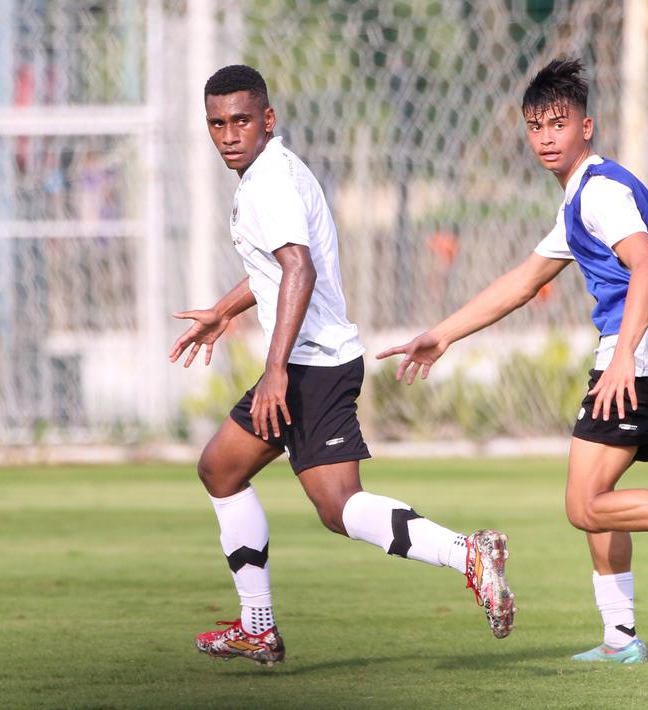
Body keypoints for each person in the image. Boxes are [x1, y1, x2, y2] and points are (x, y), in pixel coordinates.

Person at [377, 59, 648, 665]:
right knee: (596, 497)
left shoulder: (601, 194)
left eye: (558, 123)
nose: (546, 138)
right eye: (535, 126)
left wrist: (623, 360)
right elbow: (523, 281)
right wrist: (442, 335)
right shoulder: (580, 198)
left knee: (583, 504)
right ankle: (620, 638)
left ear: (588, 125)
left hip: (642, 356)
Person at [169, 65, 515, 666]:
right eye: (217, 124)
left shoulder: (269, 182)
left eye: (241, 121)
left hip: (309, 364)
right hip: (312, 361)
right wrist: (224, 312)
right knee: (230, 472)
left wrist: (276, 370)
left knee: (328, 503)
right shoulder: (268, 173)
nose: (228, 134)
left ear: (267, 120)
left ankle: (467, 554)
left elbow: (299, 270)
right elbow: (275, 273)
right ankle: (259, 628)